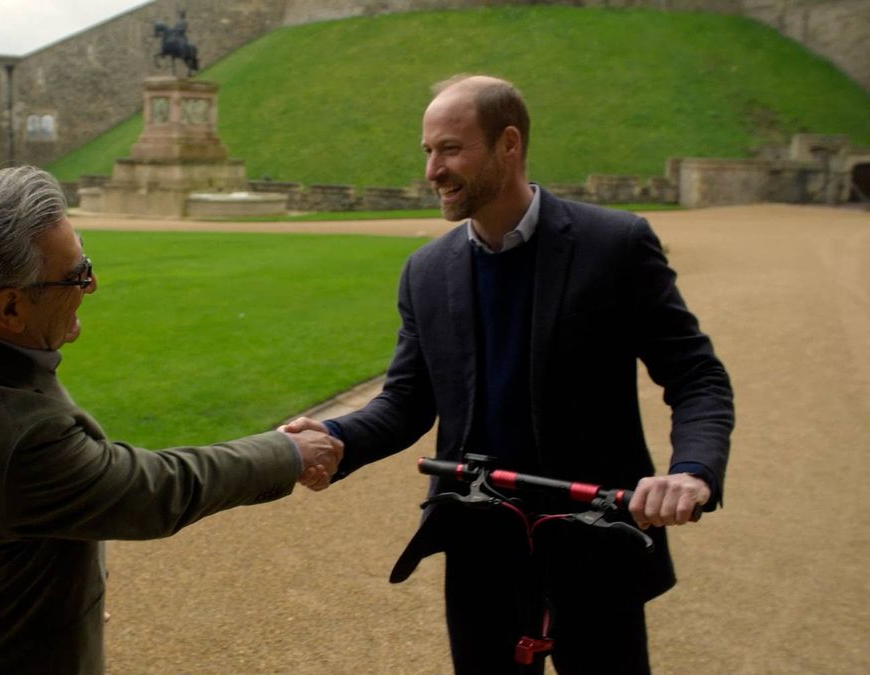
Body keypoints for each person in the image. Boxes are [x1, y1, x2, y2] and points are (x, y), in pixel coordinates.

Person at [282, 75, 734, 674]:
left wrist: (691, 473)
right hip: (479, 548)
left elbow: (697, 375)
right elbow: (407, 401)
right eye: (427, 152)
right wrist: (336, 439)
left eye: (450, 149)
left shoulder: (614, 244)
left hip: (595, 537)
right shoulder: (426, 270)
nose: (432, 171)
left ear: (508, 143)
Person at [0, 166, 343, 673]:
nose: (92, 284)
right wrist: (288, 452)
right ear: (8, 308)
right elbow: (157, 491)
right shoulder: (16, 437)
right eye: (76, 275)